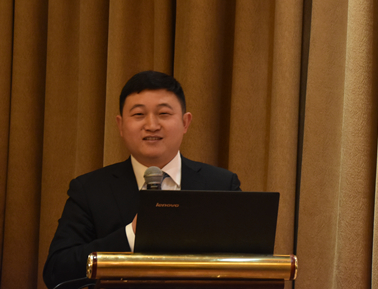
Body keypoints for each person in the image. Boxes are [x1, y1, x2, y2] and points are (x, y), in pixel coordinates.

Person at [43, 71, 241, 289]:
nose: (152, 125)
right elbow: (56, 271)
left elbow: (249, 266)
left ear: (185, 122)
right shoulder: (89, 190)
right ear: (120, 125)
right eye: (138, 114)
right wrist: (132, 234)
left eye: (164, 113)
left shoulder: (221, 185)